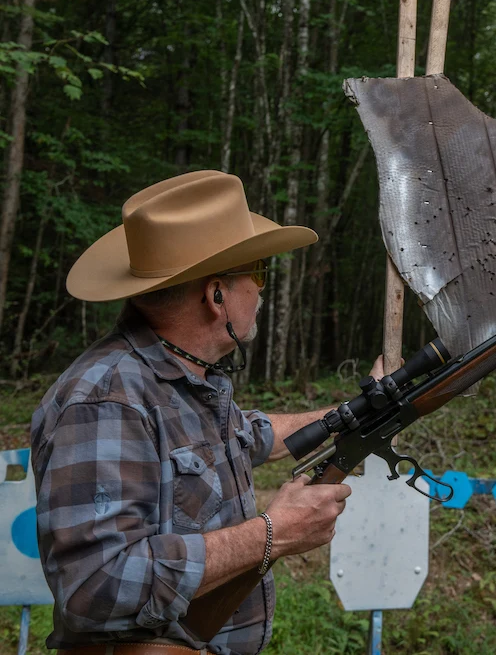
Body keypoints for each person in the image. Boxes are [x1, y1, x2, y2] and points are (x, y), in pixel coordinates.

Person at [30, 171, 376, 655]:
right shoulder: (106, 401)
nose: (261, 289)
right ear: (216, 296)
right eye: (257, 272)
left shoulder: (183, 381)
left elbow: (251, 434)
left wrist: (356, 411)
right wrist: (271, 534)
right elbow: (95, 587)